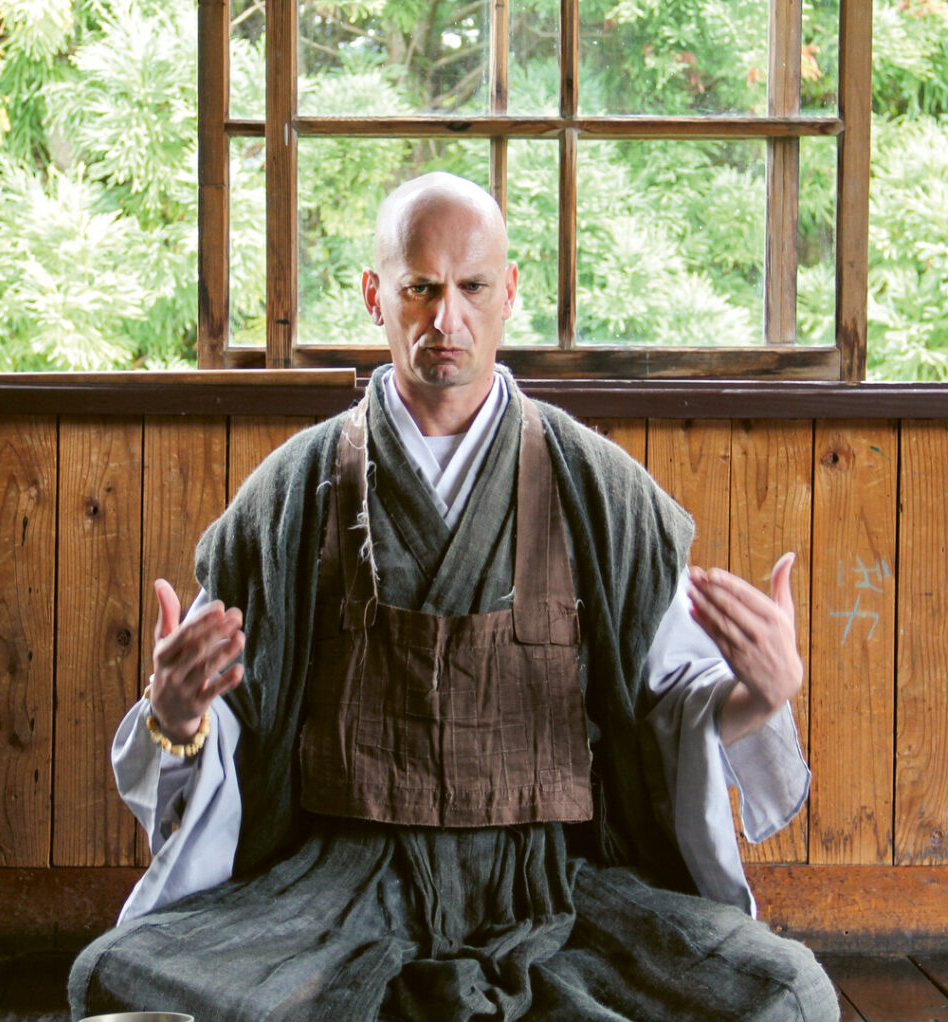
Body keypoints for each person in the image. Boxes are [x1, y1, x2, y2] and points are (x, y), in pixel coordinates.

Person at [69, 173, 839, 1021]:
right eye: (421, 289)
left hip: (551, 882)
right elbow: (220, 716)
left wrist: (760, 694)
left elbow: (672, 708)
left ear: (509, 291)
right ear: (375, 295)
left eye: (472, 287)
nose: (448, 320)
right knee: (117, 974)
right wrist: (177, 716)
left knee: (787, 993)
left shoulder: (600, 490)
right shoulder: (292, 492)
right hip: (340, 883)